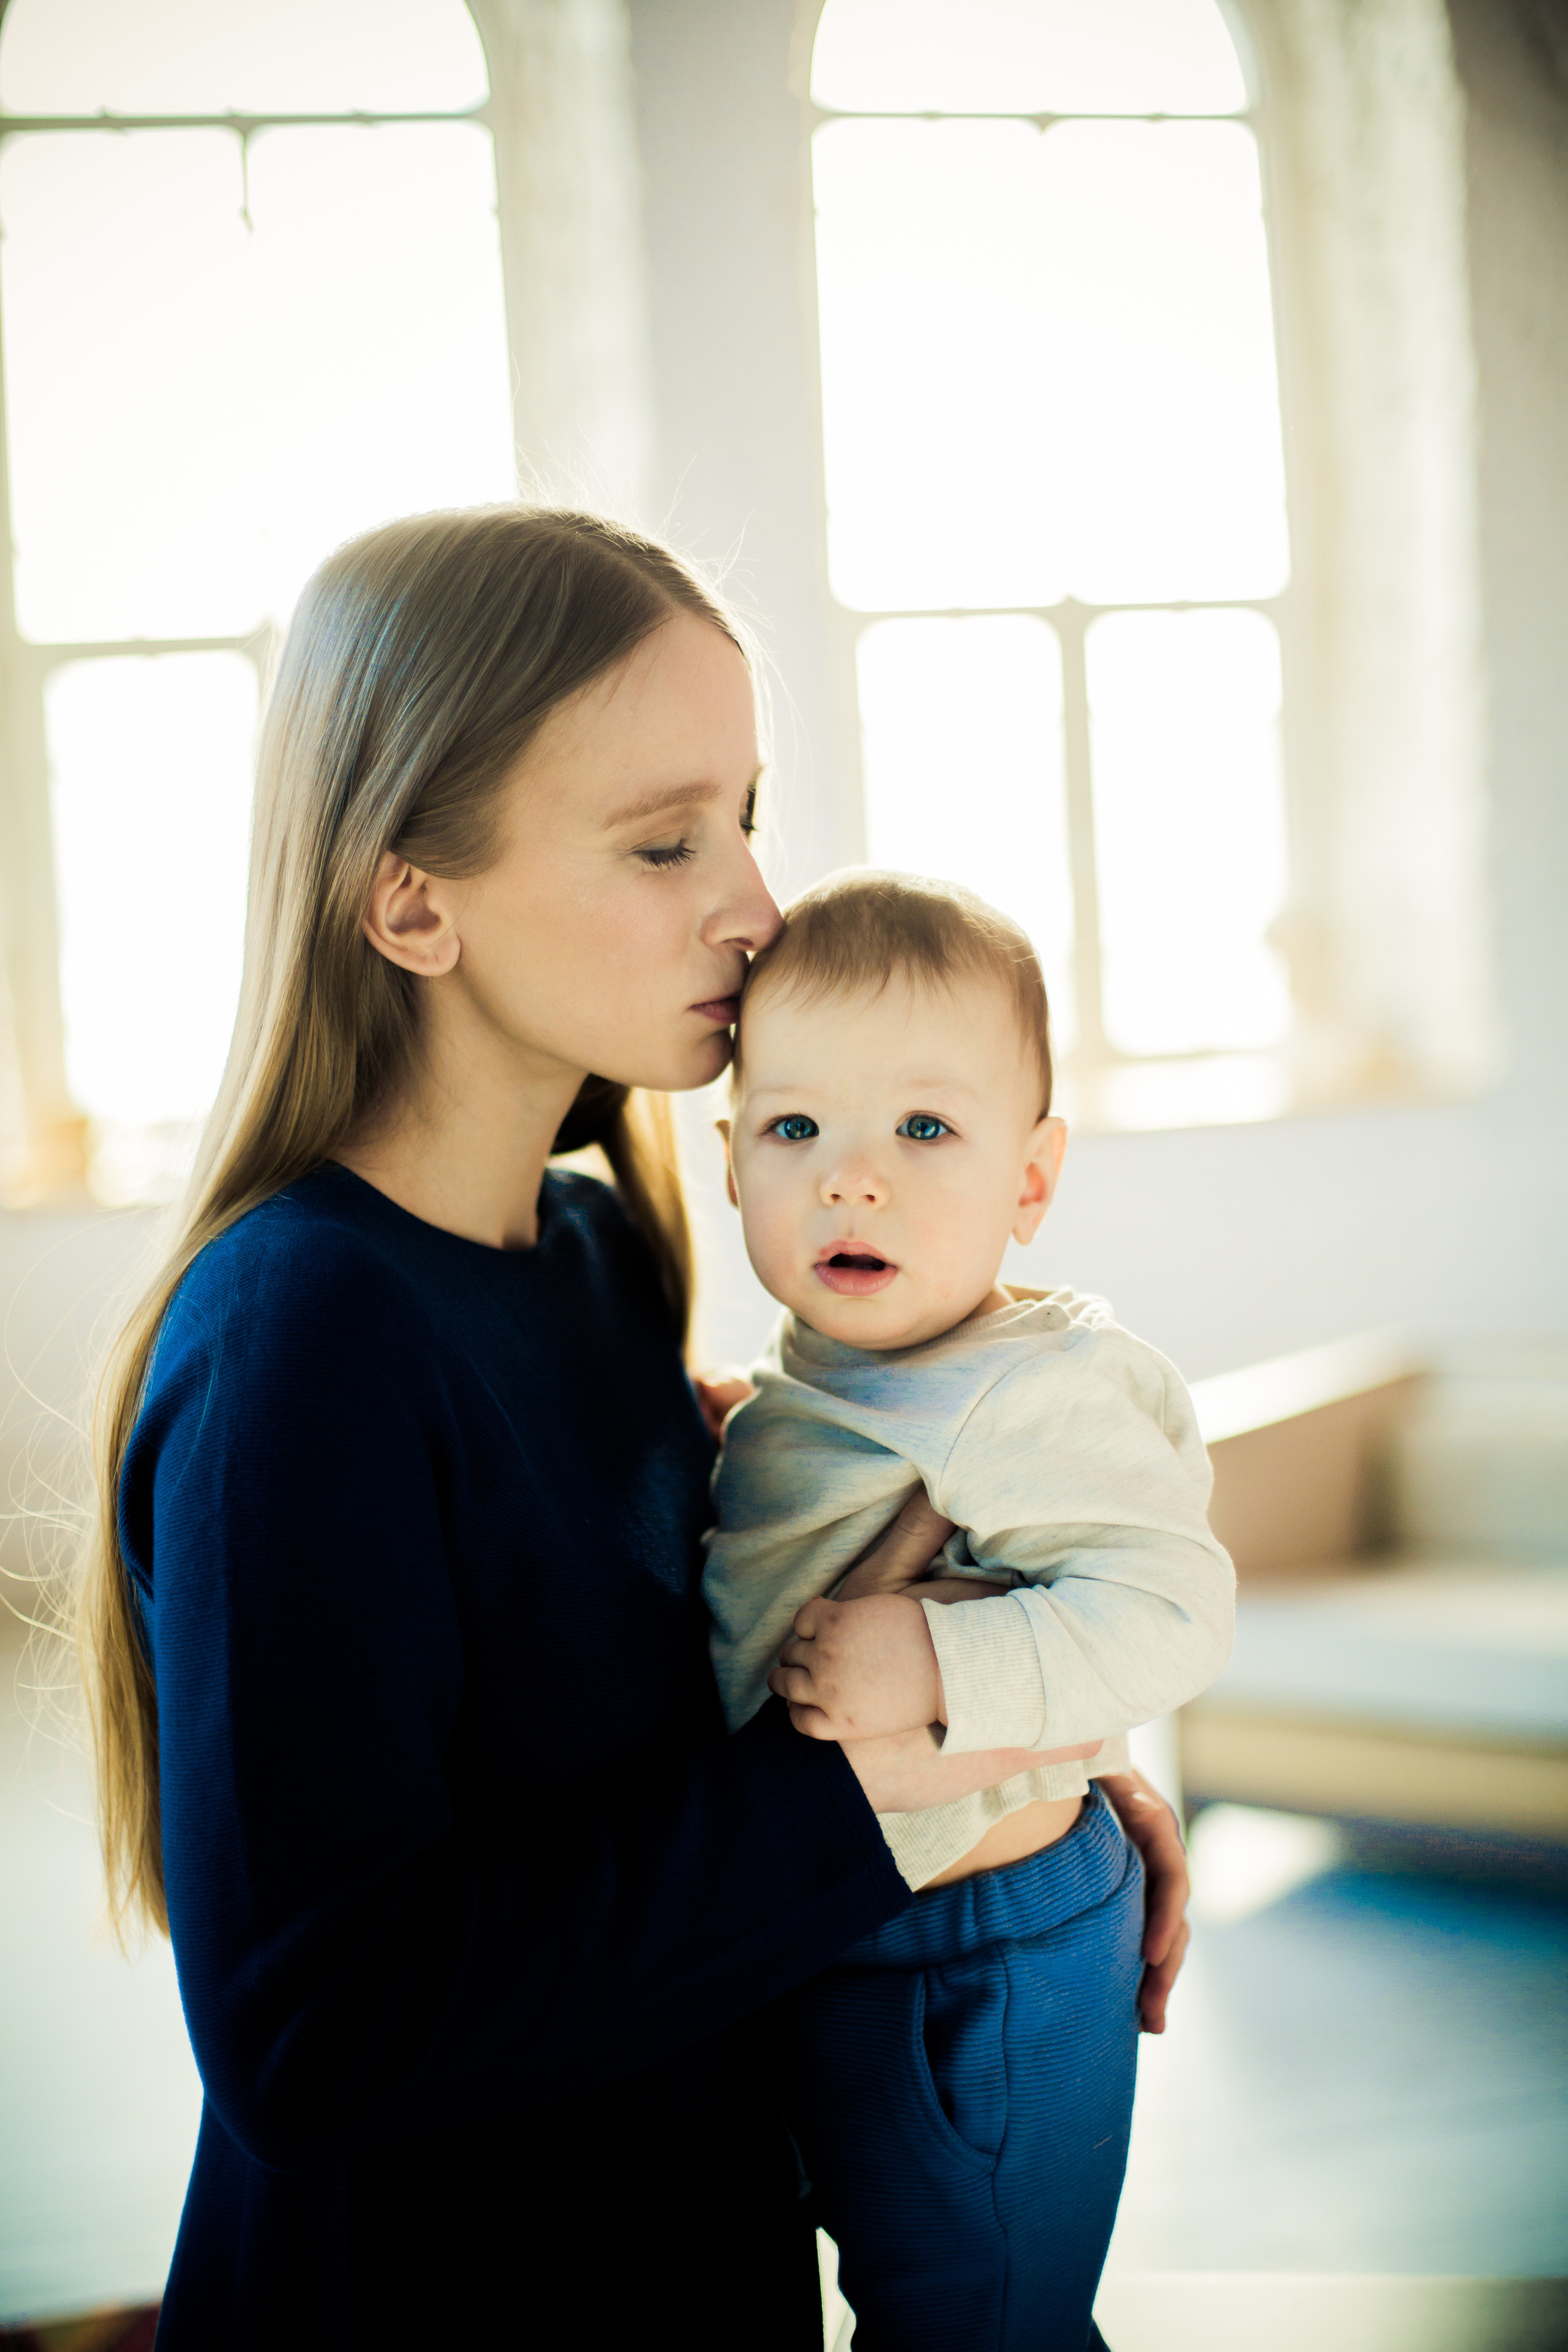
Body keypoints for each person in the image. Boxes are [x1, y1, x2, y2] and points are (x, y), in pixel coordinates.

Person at [78, 505, 1191, 2350]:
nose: (753, 903)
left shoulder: (597, 1252)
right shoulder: (301, 1338)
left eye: (744, 815)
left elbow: (675, 1743)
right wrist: (871, 1801)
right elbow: (317, 2040)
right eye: (665, 841)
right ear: (412, 899)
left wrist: (1021, 1765)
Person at [704, 869, 1234, 2351]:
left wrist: (936, 1654)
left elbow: (1173, 1609)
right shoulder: (824, 1369)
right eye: (793, 1129)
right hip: (848, 1924)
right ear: (728, 1159)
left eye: (922, 1130)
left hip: (980, 1960)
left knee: (984, 2320)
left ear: (1030, 1179)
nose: (849, 1178)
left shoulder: (1030, 1390)